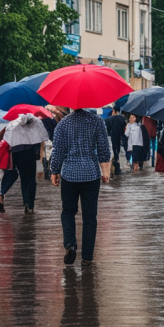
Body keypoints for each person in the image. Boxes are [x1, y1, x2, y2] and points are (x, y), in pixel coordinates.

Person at [50, 108, 111, 266]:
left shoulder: (63, 124)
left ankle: (70, 245)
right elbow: (104, 148)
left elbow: (58, 151)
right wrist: (106, 171)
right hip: (91, 174)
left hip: (69, 174)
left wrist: (54, 171)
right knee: (90, 216)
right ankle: (87, 257)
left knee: (68, 212)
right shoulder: (97, 121)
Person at [0, 128, 17, 213]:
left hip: (3, 160)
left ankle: (1, 196)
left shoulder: (4, 131)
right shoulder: (11, 131)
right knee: (13, 175)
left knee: (7, 175)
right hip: (8, 160)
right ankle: (1, 195)